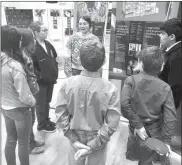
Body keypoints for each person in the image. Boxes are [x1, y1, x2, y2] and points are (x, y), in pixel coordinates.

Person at [55, 40, 120, 165]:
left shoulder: (67, 84)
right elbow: (112, 123)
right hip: (99, 136)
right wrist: (93, 145)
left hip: (74, 133)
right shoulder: (111, 89)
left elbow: (60, 114)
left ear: (79, 60)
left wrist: (73, 138)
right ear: (104, 61)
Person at [121, 46, 177, 165]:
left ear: (140, 63)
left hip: (135, 128)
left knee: (138, 153)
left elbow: (124, 105)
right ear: (161, 67)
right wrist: (166, 141)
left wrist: (138, 124)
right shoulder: (165, 88)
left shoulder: (130, 81)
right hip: (154, 129)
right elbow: (170, 117)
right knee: (150, 159)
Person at [1, 25, 35, 165]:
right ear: (15, 42)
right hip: (20, 109)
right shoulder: (15, 66)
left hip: (4, 107)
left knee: (10, 139)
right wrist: (33, 101)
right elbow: (25, 96)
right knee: (23, 142)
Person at [29, 21, 58, 133]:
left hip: (50, 80)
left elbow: (54, 57)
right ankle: (41, 125)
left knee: (47, 101)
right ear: (36, 32)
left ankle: (46, 120)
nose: (47, 32)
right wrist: (40, 76)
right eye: (44, 30)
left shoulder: (48, 44)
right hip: (40, 82)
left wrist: (55, 69)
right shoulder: (32, 47)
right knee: (40, 103)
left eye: (47, 30)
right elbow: (31, 66)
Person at [20, 28, 45, 154]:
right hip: (27, 94)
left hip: (31, 92)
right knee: (29, 120)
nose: (35, 42)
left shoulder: (26, 53)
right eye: (33, 39)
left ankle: (32, 140)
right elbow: (27, 76)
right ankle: (30, 145)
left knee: (32, 119)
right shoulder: (22, 56)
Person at [159, 18, 182, 109]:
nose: (159, 35)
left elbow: (175, 86)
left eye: (163, 33)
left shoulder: (176, 56)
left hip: (167, 106)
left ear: (172, 37)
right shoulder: (172, 52)